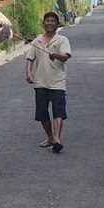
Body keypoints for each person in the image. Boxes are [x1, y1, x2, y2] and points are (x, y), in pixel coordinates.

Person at [25, 12, 71, 153]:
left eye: (52, 21)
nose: (50, 23)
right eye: (47, 21)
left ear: (57, 24)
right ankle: (49, 137)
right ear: (43, 23)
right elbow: (30, 58)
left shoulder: (62, 40)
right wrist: (28, 73)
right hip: (40, 82)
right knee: (42, 113)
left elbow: (65, 57)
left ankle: (57, 138)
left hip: (57, 82)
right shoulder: (37, 41)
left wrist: (55, 55)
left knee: (58, 112)